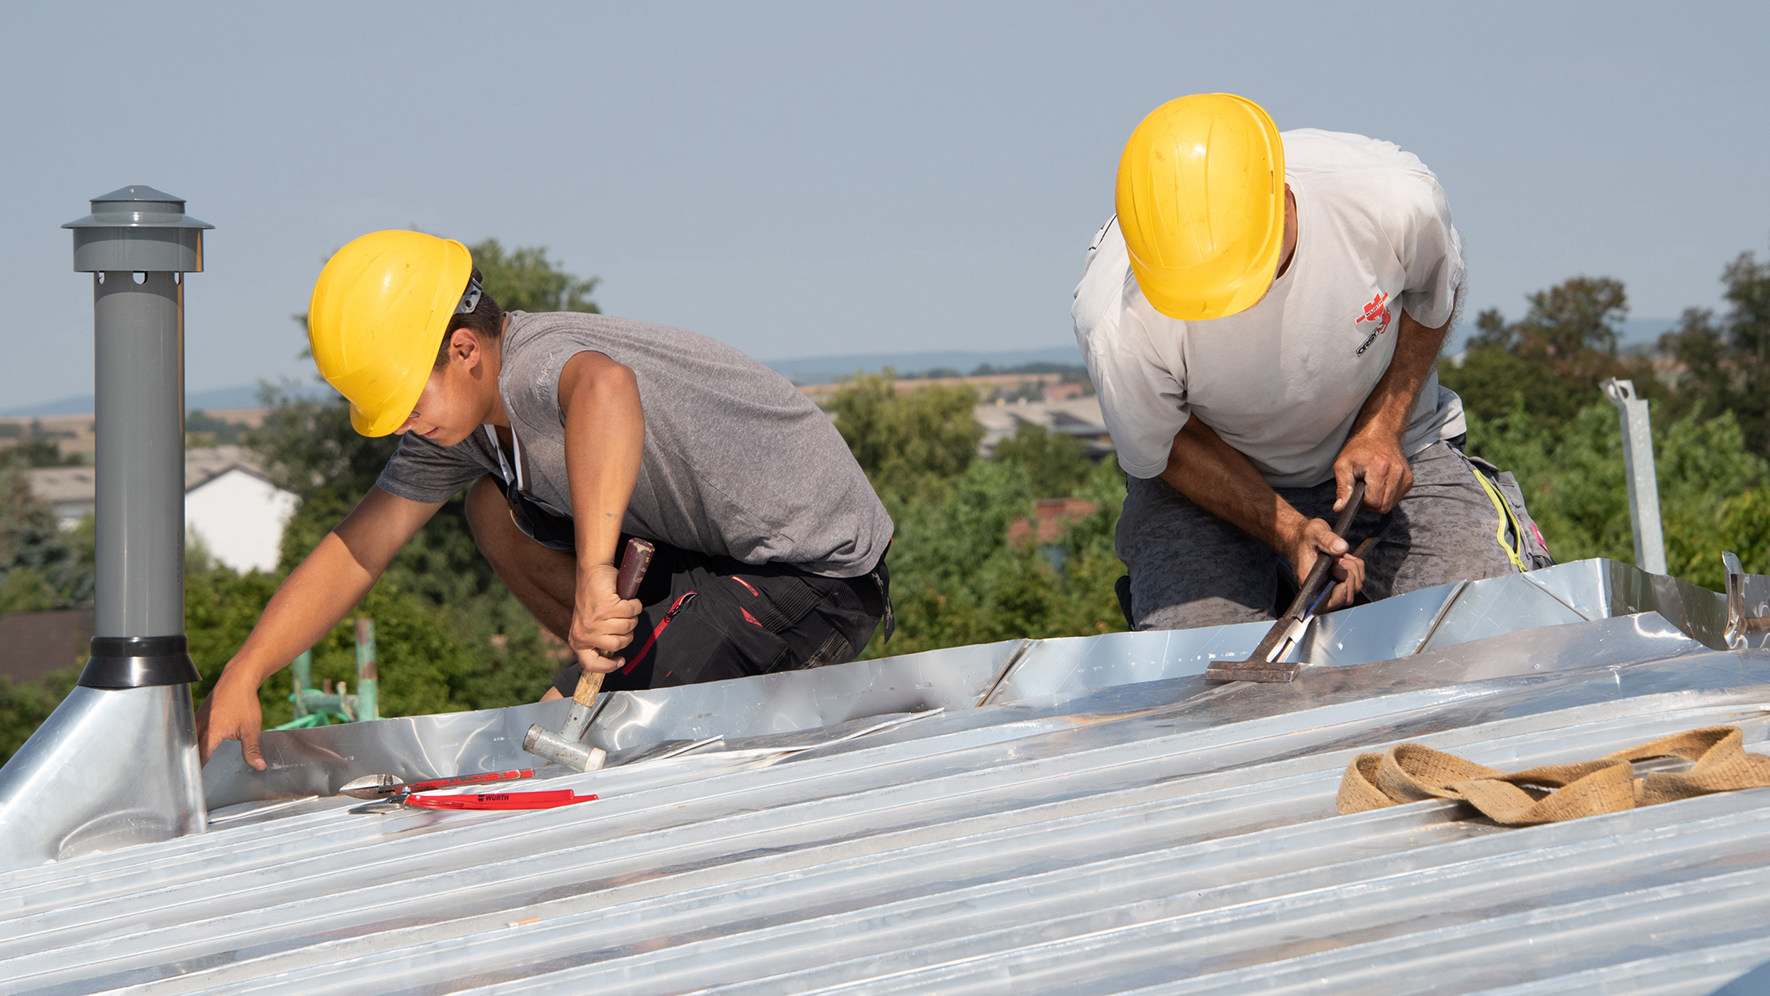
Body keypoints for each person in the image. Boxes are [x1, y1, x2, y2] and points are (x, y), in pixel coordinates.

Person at [198, 230, 894, 768]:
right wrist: (247, 668)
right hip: (703, 555)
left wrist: (595, 575)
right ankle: (623, 651)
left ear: (465, 350)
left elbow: (607, 389)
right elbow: (361, 546)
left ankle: (629, 676)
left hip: (811, 573)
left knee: (583, 740)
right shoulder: (462, 424)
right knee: (491, 512)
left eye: (408, 401)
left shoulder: (535, 367)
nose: (406, 424)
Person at [1073, 93, 1545, 632]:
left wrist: (1382, 428)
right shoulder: (1113, 317)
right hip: (1210, 481)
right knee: (1195, 663)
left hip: (1398, 448)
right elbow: (1170, 444)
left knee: (1489, 625)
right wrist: (1290, 532)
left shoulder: (1390, 199)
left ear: (1282, 196)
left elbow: (1429, 299)